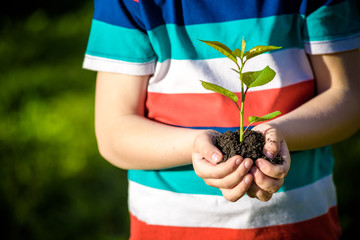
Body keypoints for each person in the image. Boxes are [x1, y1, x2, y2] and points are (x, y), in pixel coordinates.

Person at [83, 0, 360, 239]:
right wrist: (196, 146)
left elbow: (346, 97)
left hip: (297, 224)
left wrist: (278, 133)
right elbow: (113, 132)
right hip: (170, 226)